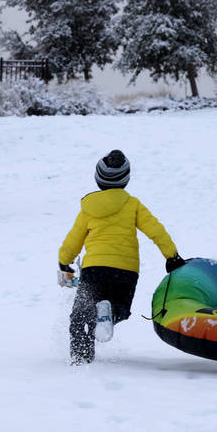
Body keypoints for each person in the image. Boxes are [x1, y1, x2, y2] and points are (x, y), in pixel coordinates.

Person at [58, 149, 186, 365]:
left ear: (98, 178)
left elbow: (74, 239)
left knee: (80, 317)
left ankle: (80, 359)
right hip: (126, 270)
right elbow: (156, 230)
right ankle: (112, 312)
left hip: (94, 269)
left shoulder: (88, 208)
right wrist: (171, 255)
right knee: (121, 309)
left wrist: (65, 261)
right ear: (126, 179)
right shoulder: (133, 204)